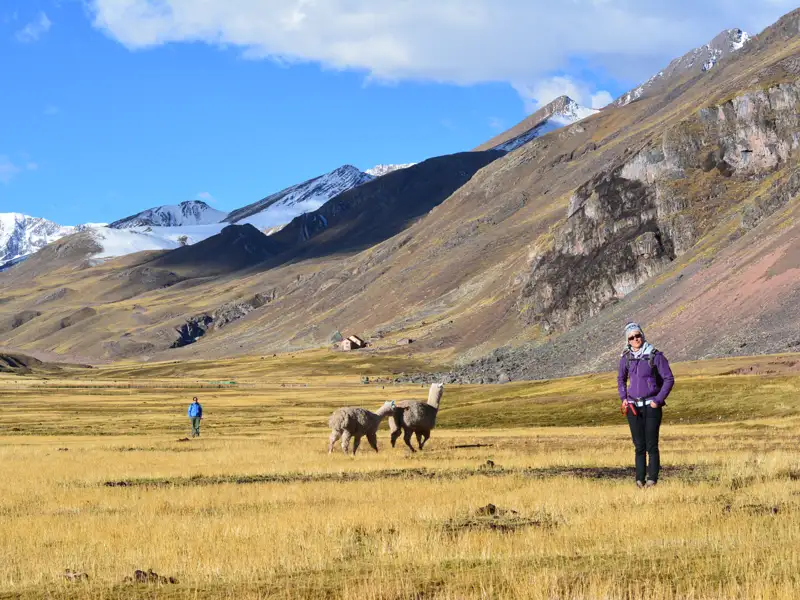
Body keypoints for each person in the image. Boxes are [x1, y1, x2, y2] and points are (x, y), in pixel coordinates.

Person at [618, 322, 674, 488]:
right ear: (627, 340)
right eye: (632, 337)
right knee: (639, 446)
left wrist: (657, 401)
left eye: (638, 335)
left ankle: (652, 480)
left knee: (651, 445)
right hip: (633, 407)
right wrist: (624, 398)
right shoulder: (626, 357)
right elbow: (621, 378)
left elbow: (669, 379)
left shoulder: (655, 355)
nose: (636, 339)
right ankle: (639, 480)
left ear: (642, 335)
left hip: (651, 406)